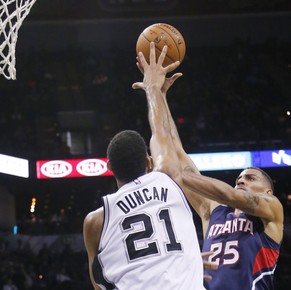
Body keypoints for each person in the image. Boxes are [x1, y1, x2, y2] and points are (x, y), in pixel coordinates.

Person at [134, 43, 284, 290]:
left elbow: (230, 194)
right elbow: (177, 150)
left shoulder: (271, 211)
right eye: (240, 177)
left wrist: (174, 174)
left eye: (251, 177)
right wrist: (159, 94)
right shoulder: (212, 210)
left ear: (268, 192)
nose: (242, 180)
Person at [83, 43, 205, 290]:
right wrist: (154, 89)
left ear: (110, 167)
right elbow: (161, 133)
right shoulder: (167, 178)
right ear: (149, 161)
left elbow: (98, 284)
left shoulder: (94, 221)